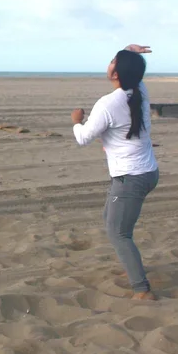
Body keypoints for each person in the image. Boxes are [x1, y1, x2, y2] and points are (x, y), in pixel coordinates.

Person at [71, 44, 160, 300]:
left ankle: (141, 290)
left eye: (113, 61)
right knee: (111, 218)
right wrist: (127, 52)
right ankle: (132, 266)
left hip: (131, 178)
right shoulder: (139, 91)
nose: (109, 64)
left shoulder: (108, 103)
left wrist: (77, 121)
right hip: (146, 172)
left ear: (116, 74)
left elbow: (83, 138)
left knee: (118, 232)